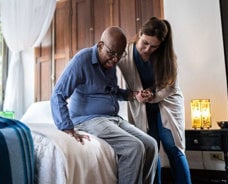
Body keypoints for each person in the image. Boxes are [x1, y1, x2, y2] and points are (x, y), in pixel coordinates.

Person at [50, 26, 158, 184]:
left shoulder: (110, 64)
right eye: (111, 54)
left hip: (112, 118)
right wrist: (67, 128)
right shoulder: (82, 60)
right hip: (88, 119)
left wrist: (134, 94)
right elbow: (58, 94)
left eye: (119, 55)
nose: (115, 60)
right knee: (133, 148)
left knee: (150, 145)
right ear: (100, 45)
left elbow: (113, 92)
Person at [117, 17, 192, 184]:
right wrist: (135, 94)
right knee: (151, 148)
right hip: (142, 105)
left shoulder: (166, 56)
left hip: (167, 103)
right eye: (145, 43)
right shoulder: (125, 54)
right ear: (140, 34)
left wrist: (154, 95)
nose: (147, 49)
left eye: (154, 46)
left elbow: (171, 86)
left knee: (173, 147)